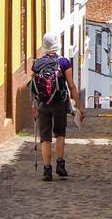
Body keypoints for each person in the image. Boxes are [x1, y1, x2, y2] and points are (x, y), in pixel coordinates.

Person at [30, 33, 84, 181]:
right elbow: (71, 85)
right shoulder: (64, 62)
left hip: (42, 104)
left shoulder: (37, 64)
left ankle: (47, 170)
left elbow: (33, 87)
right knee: (60, 133)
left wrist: (33, 105)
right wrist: (79, 106)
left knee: (45, 137)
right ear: (57, 45)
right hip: (59, 103)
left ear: (44, 45)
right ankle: (60, 164)